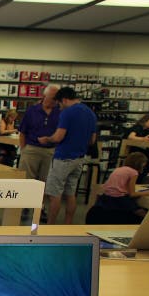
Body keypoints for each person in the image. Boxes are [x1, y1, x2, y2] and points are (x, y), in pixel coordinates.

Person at [38, 87, 97, 225]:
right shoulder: (90, 113)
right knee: (71, 193)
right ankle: (68, 224)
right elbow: (92, 140)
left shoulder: (67, 113)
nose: (59, 106)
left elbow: (58, 137)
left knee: (55, 193)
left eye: (59, 103)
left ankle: (50, 225)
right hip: (79, 158)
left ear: (64, 100)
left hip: (63, 157)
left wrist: (47, 139)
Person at [17, 85, 60, 217]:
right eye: (52, 98)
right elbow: (22, 131)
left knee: (44, 181)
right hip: (31, 149)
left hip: (50, 151)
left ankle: (39, 208)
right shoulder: (32, 111)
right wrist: (24, 149)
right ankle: (24, 206)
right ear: (44, 96)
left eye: (57, 99)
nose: (55, 101)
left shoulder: (60, 112)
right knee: (27, 179)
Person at [95, 152, 149, 220]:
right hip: (118, 198)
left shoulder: (119, 169)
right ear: (140, 164)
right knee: (142, 212)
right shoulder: (133, 172)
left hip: (106, 197)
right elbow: (132, 194)